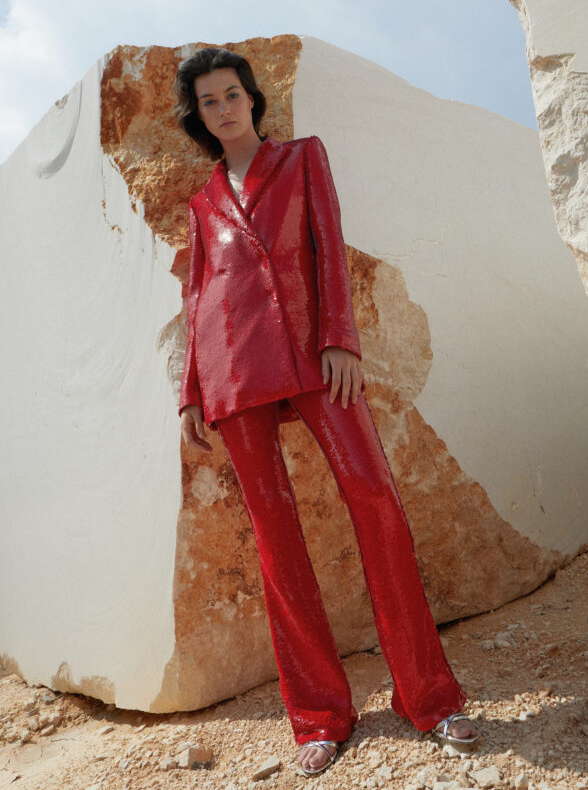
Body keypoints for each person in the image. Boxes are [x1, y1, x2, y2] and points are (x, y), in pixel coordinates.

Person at [174, 47, 479, 777]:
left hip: (314, 352)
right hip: (232, 368)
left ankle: (429, 697)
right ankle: (318, 716)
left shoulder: (303, 159)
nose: (224, 108)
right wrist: (192, 391)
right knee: (276, 540)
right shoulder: (201, 203)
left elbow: (327, 247)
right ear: (200, 117)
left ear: (253, 98)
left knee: (375, 499)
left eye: (232, 94)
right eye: (209, 101)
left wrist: (340, 338)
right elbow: (199, 298)